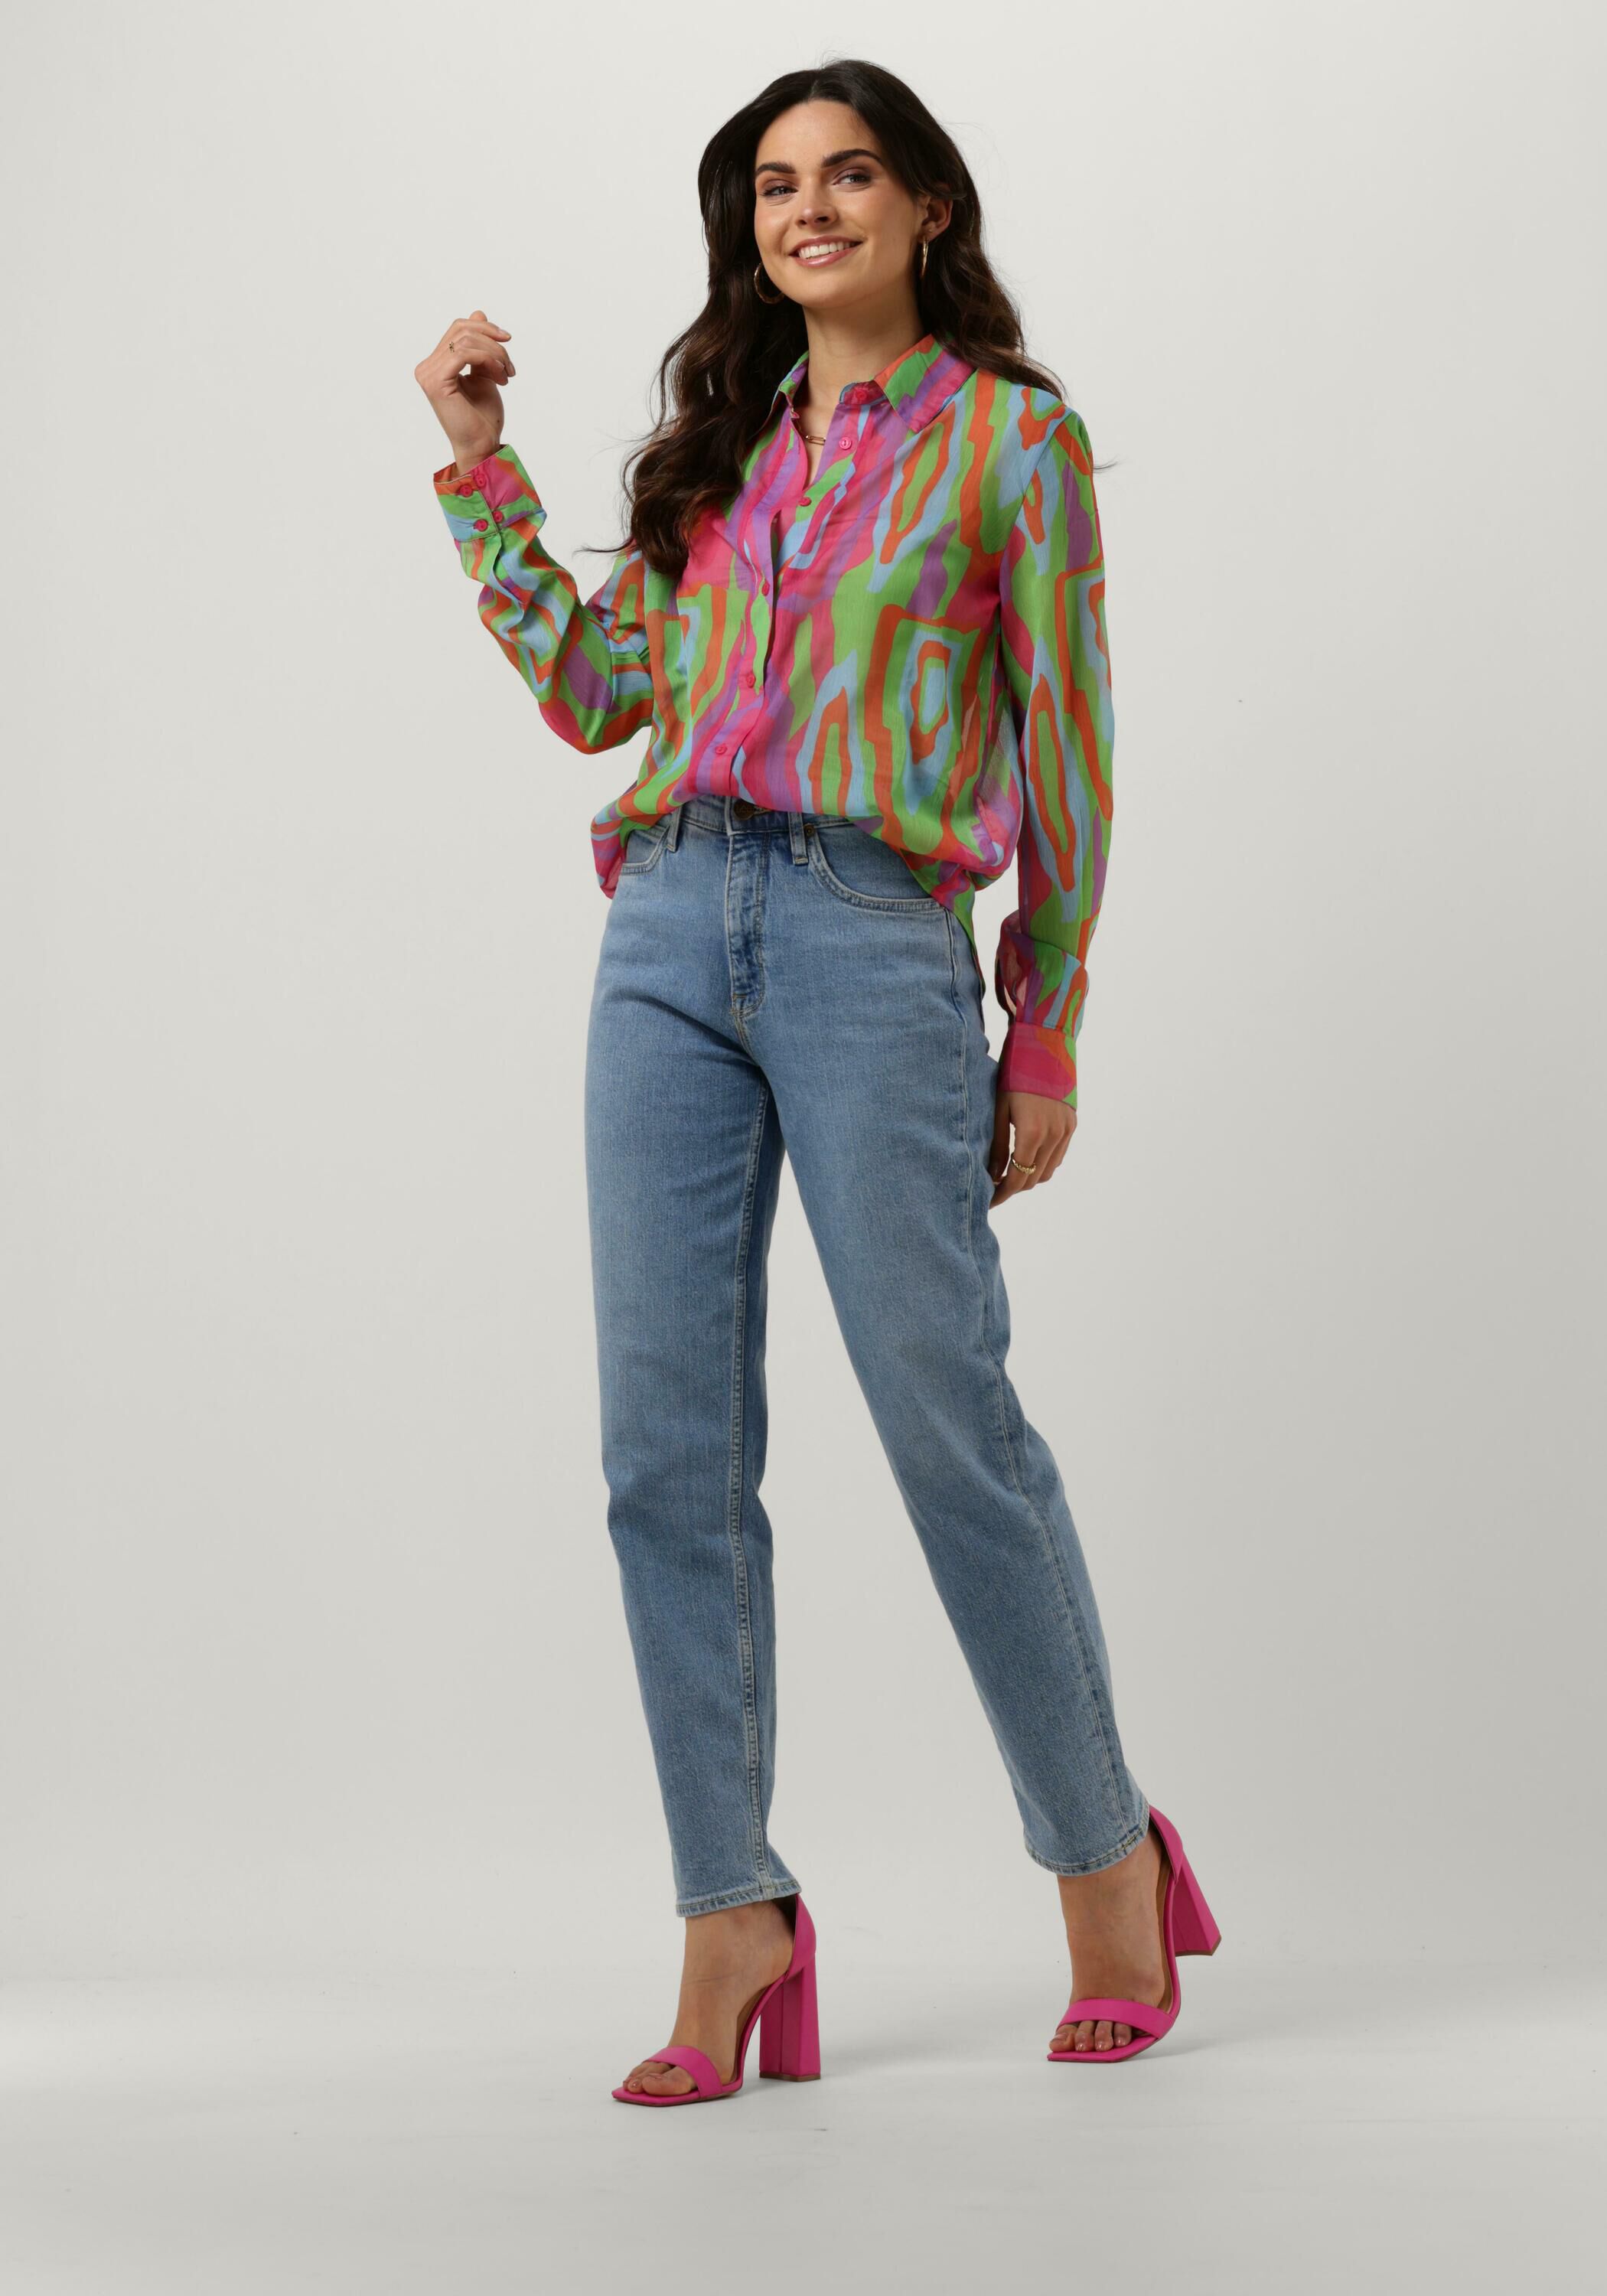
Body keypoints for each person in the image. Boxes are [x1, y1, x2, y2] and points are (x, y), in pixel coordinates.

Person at [415, 57, 1220, 2102]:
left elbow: (1069, 748)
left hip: (876, 940)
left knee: (948, 1420)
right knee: (662, 1452)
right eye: (777, 185)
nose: (811, 209)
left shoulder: (1014, 442)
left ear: (927, 206)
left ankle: (1105, 1859)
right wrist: (480, 470)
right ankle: (730, 1916)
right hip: (666, 937)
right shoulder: (719, 454)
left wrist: (1044, 1019)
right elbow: (597, 693)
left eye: (851, 174)